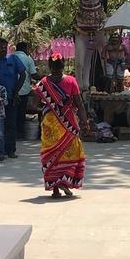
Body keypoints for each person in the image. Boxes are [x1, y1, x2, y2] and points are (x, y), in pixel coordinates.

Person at [34, 53, 90, 198]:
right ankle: (63, 182)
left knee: (52, 154)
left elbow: (35, 105)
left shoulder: (43, 83)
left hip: (50, 124)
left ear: (50, 66)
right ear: (63, 65)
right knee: (69, 153)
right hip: (68, 123)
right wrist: (85, 122)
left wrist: (48, 106)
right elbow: (79, 103)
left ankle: (56, 188)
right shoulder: (71, 81)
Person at [0, 38, 26, 158]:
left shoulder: (13, 59)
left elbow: (23, 74)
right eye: (1, 47)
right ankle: (1, 151)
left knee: (11, 124)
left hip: (11, 97)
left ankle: (11, 150)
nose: (3, 49)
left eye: (5, 46)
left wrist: (16, 92)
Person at [14, 41, 39, 139]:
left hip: (12, 89)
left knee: (12, 112)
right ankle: (20, 133)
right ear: (25, 49)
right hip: (24, 90)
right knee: (21, 112)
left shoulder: (11, 57)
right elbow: (34, 75)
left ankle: (12, 133)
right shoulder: (28, 59)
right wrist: (44, 77)